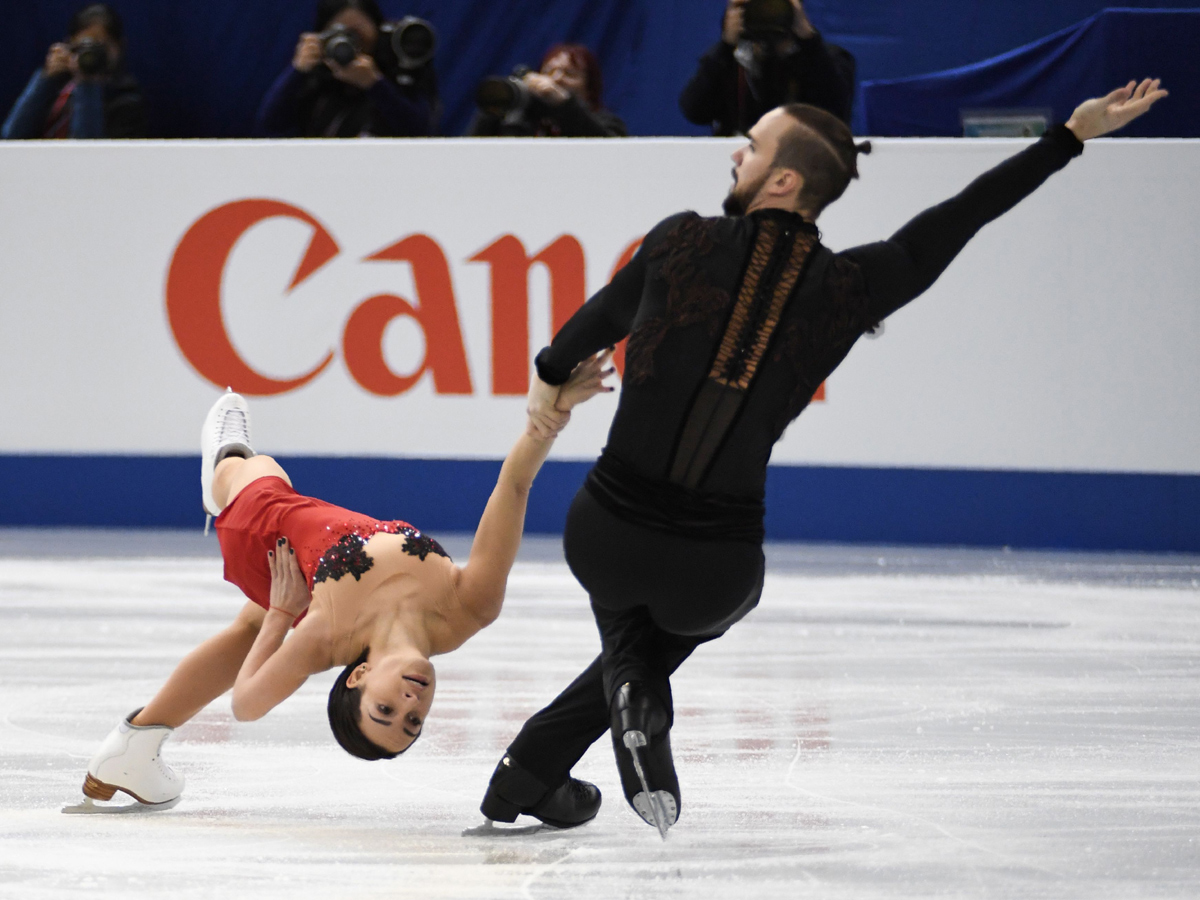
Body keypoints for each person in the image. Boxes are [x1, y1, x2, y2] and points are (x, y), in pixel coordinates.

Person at [478, 79, 1169, 836]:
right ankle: (598, 719)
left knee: (626, 605)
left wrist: (549, 377)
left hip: (604, 533)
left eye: (753, 146)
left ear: (783, 179)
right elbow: (963, 216)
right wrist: (1069, 136)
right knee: (672, 627)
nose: (737, 154)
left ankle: (549, 758)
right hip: (715, 571)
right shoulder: (854, 285)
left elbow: (596, 320)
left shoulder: (678, 239)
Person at [66, 352, 614, 815]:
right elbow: (513, 487)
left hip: (267, 536)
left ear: (358, 679)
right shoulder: (471, 607)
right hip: (305, 571)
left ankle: (225, 459)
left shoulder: (325, 635)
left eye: (385, 712)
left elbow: (247, 706)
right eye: (414, 722)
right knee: (243, 633)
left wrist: (283, 615)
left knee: (255, 474)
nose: (408, 705)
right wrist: (551, 417)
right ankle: (135, 743)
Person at [256, 0, 433, 138]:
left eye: (358, 34)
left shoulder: (398, 70)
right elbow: (271, 123)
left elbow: (418, 129)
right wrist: (297, 71)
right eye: (340, 34)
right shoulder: (316, 79)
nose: (350, 44)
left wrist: (375, 84)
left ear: (378, 30)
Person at [679, 0, 854, 134]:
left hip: (803, 163)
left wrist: (808, 40)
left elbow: (836, 111)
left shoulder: (826, 58)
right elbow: (695, 111)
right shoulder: (728, 60)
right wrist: (726, 47)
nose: (766, 11)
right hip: (736, 163)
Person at [2, 3, 146, 140]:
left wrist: (87, 85)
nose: (92, 55)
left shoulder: (127, 100)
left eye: (100, 47)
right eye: (84, 46)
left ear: (119, 47)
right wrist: (46, 80)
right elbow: (11, 137)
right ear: (70, 44)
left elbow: (85, 152)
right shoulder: (55, 87)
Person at [467, 43, 627, 137]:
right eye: (549, 72)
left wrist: (563, 102)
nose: (556, 79)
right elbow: (471, 149)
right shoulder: (524, 117)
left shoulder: (607, 122)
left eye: (569, 74)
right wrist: (501, 103)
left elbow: (609, 153)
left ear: (589, 87)